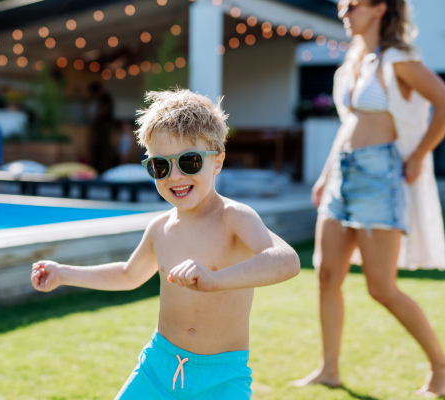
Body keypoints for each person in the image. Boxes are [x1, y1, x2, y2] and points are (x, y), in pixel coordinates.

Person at [31, 89, 300, 399]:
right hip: (157, 368)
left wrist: (214, 280)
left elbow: (286, 261)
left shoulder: (234, 218)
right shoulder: (160, 228)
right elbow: (128, 275)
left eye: (189, 161)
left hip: (222, 377)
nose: (174, 176)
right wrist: (63, 273)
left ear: (218, 161)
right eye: (160, 166)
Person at [293, 0, 445, 396]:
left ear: (380, 8)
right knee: (327, 275)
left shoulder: (399, 59)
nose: (344, 11)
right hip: (343, 173)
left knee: (381, 287)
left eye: (353, 5)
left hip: (381, 176)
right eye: (342, 5)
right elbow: (350, 125)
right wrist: (326, 175)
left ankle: (441, 365)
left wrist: (418, 154)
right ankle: (329, 370)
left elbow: (443, 101)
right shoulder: (353, 62)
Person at [85, 82, 114, 172]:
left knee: (104, 149)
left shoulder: (105, 97)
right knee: (97, 148)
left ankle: (104, 171)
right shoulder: (102, 98)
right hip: (101, 126)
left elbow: (104, 111)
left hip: (104, 126)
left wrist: (93, 116)